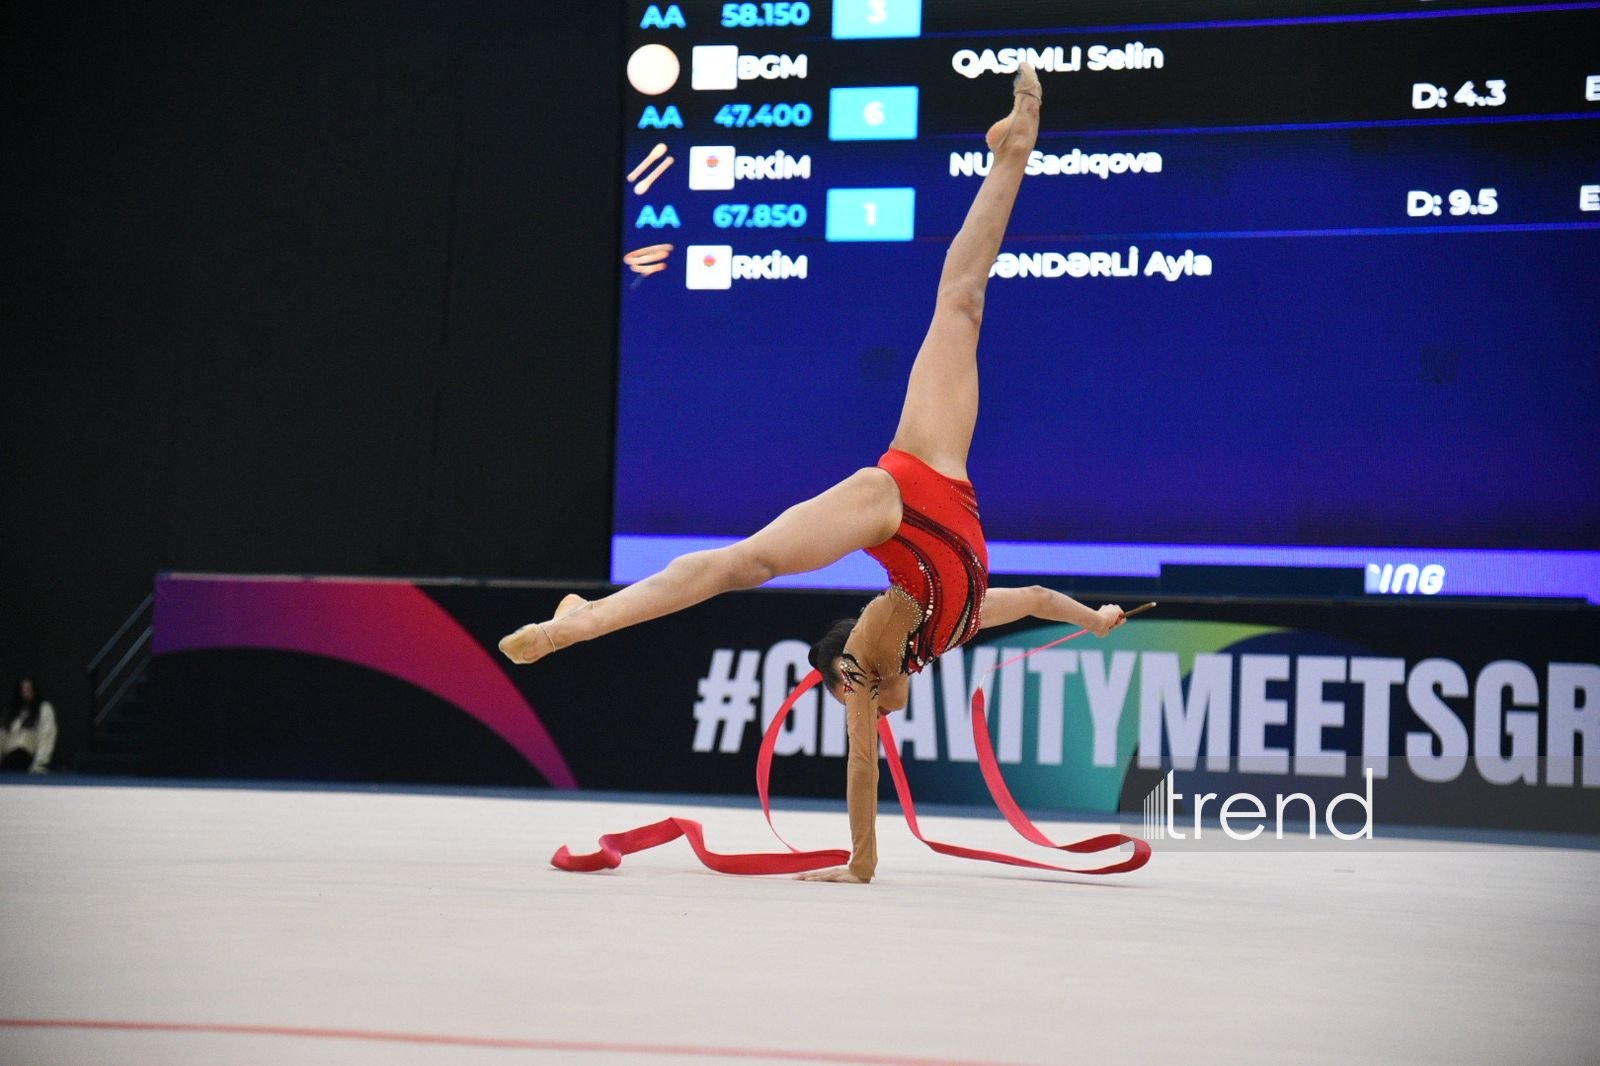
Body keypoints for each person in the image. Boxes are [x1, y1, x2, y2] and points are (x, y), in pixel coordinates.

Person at [501, 64, 1125, 883]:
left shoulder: (868, 661)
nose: (860, 714)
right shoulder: (957, 629)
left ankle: (582, 622)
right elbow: (1040, 601)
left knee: (744, 563)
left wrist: (857, 867)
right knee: (962, 304)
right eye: (855, 708)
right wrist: (1098, 617)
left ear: (843, 676)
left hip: (897, 498)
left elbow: (862, 772)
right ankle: (1013, 151)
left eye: (845, 701)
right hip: (944, 475)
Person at [2, 678, 58, 774]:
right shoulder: (10, 711)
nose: (25, 693)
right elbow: (2, 735)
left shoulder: (43, 709)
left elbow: (46, 737)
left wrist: (39, 764)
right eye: (23, 690)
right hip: (8, 761)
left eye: (29, 689)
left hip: (28, 759)